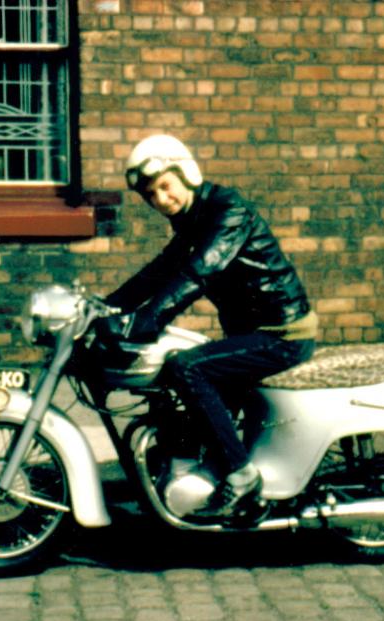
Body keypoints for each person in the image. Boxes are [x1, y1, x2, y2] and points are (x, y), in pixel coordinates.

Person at [107, 134, 317, 518]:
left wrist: (147, 320)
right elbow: (160, 271)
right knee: (176, 380)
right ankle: (192, 465)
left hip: (281, 335)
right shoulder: (193, 220)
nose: (161, 199)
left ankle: (242, 477)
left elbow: (199, 270)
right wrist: (106, 306)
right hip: (253, 333)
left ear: (185, 173)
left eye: (165, 187)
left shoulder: (227, 210)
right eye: (151, 194)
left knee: (185, 366)